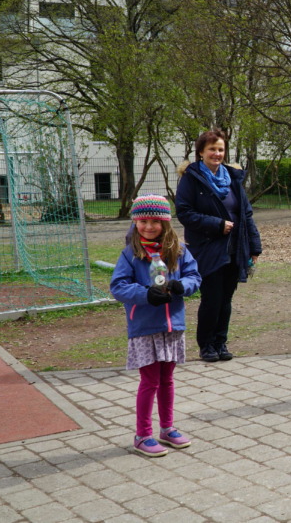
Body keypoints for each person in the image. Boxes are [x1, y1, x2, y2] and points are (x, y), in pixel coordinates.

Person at [110, 195, 201, 457]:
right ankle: (142, 434)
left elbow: (194, 275)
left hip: (173, 326)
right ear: (135, 222)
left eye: (155, 221)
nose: (148, 226)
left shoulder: (179, 250)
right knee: (149, 381)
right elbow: (119, 286)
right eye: (142, 221)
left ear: (165, 223)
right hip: (145, 326)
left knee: (167, 379)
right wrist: (145, 295)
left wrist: (183, 286)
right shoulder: (130, 253)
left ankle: (167, 428)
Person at [176, 130, 262, 363]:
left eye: (220, 149)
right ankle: (206, 345)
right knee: (212, 298)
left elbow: (246, 214)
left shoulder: (233, 178)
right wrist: (216, 224)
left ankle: (220, 342)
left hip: (235, 248)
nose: (217, 153)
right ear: (201, 152)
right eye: (212, 149)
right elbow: (184, 212)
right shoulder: (191, 178)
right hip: (207, 248)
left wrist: (255, 248)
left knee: (226, 299)